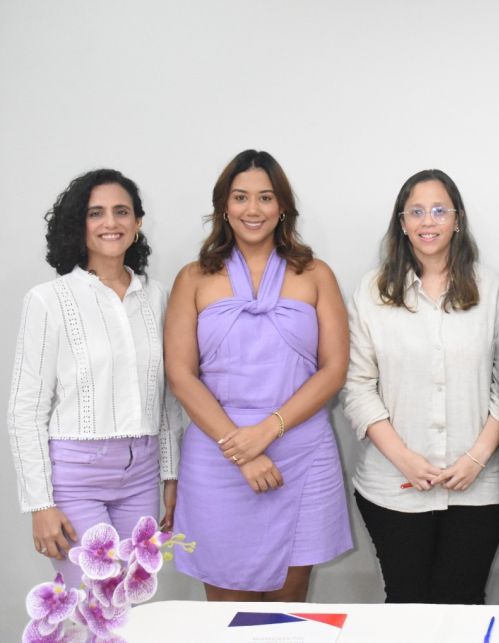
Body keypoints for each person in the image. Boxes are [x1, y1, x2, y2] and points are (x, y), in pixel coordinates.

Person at [166, 150, 352, 601]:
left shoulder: (316, 274)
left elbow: (335, 369)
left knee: (287, 615)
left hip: (301, 453)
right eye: (241, 197)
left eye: (266, 198)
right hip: (218, 455)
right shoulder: (192, 278)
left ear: (282, 206)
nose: (253, 210)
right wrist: (242, 449)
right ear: (224, 207)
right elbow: (180, 374)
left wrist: (268, 431)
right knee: (227, 617)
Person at [341, 169, 499, 604]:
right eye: (416, 211)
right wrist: (406, 460)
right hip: (393, 488)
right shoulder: (371, 291)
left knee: (463, 602)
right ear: (402, 223)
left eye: (439, 210)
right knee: (407, 604)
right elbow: (357, 387)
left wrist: (476, 458)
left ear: (457, 220)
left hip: (477, 487)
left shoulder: (492, 289)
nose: (428, 221)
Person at [8, 169, 181, 587]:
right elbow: (25, 409)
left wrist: (170, 475)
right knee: (94, 603)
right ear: (79, 225)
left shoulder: (157, 296)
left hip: (141, 474)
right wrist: (40, 504)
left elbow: (167, 398)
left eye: (122, 212)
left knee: (133, 602)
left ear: (137, 224)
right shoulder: (49, 301)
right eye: (96, 213)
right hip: (75, 476)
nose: (111, 223)